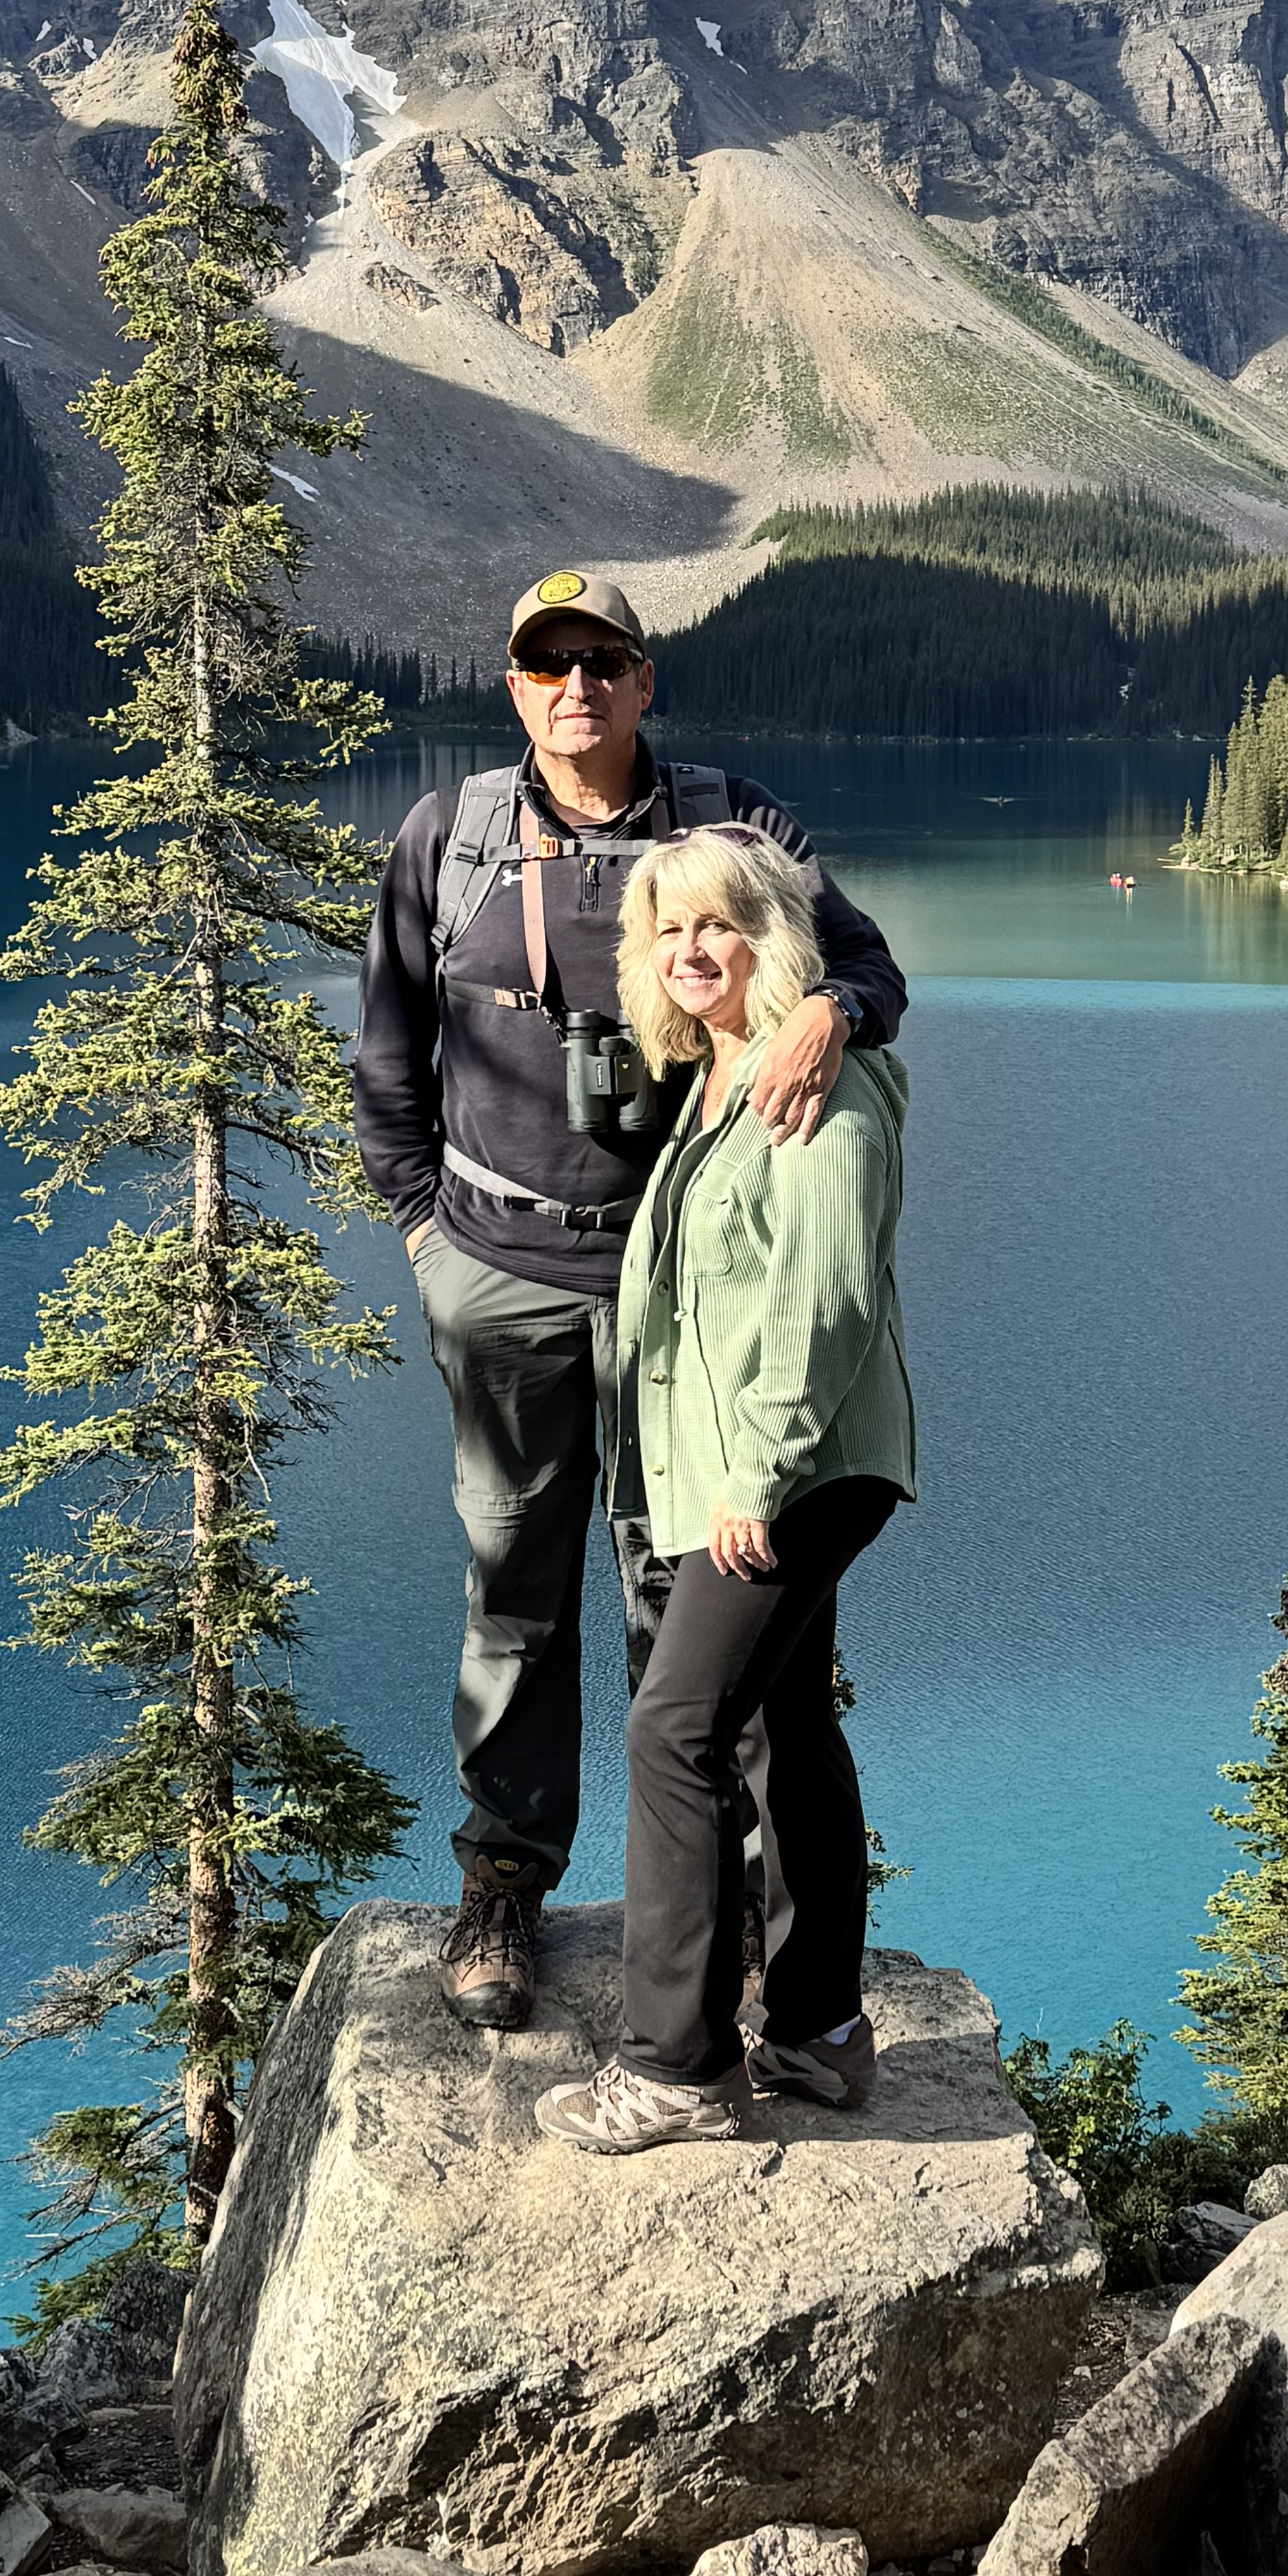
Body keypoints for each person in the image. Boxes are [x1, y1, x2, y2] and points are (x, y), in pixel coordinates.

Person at [352, 570, 908, 2032]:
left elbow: (870, 968)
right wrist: (423, 1228)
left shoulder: (735, 828)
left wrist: (826, 1022)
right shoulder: (449, 837)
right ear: (515, 687)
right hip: (502, 1270)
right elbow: (388, 1051)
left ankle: (714, 1922)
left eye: (604, 661)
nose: (577, 688)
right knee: (512, 1590)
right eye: (548, 665)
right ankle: (505, 1885)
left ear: (645, 680)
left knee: (704, 1603)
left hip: (689, 1301)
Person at [536, 823, 915, 2152]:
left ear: (776, 939)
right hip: (763, 1466)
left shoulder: (819, 1085)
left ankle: (677, 2069)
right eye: (669, 930)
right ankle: (816, 2033)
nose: (693, 950)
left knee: (673, 1731)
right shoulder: (719, 1076)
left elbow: (827, 1300)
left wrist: (750, 1480)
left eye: (721, 924)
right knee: (782, 1724)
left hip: (792, 1468)